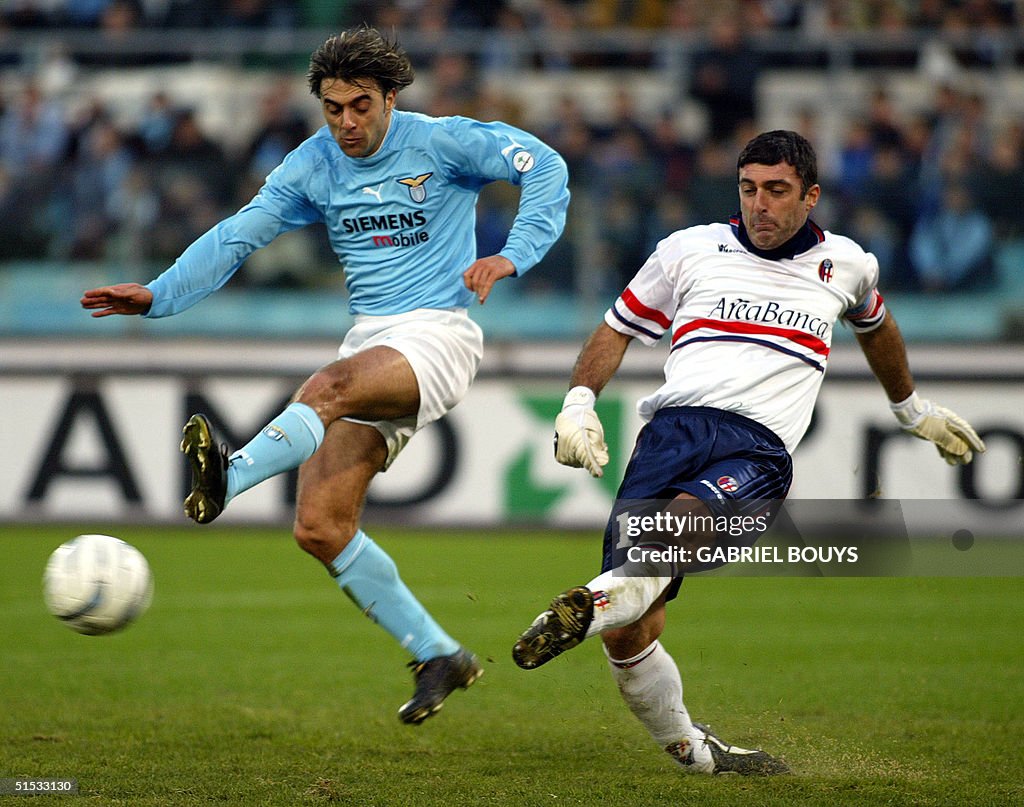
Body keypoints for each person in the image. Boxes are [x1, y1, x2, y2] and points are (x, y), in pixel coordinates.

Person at [81, 26, 570, 725]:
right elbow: (238, 233)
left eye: (361, 105)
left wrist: (512, 254)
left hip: (438, 332)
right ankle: (440, 653)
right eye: (334, 107)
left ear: (390, 97)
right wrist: (159, 295)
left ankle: (229, 476)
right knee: (318, 525)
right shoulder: (311, 165)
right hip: (372, 337)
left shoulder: (444, 141)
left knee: (327, 386)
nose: (347, 122)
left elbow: (545, 166)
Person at [511, 130, 984, 775]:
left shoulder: (848, 264)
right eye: (748, 189)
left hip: (756, 448)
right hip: (669, 436)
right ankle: (698, 755)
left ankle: (580, 607)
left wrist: (911, 409)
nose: (760, 205)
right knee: (631, 630)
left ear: (810, 196)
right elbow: (617, 327)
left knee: (671, 534)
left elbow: (878, 328)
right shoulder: (687, 250)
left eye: (777, 191)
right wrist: (578, 402)